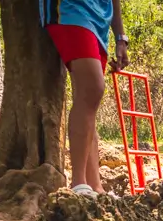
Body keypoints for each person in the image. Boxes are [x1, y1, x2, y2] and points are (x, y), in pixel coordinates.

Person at [43, 0, 129, 196]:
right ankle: (79, 182)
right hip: (70, 10)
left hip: (100, 20)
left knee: (88, 100)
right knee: (93, 89)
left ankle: (95, 185)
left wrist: (120, 38)